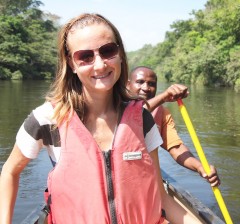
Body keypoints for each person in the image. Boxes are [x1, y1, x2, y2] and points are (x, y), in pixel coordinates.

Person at [0, 13, 203, 224]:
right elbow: (9, 172)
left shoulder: (143, 120)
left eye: (108, 51)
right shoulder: (46, 119)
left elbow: (161, 197)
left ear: (120, 54)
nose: (99, 65)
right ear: (71, 63)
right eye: (85, 56)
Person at [127, 66, 220, 187]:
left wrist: (200, 166)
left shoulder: (161, 112)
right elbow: (135, 114)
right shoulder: (116, 106)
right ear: (128, 85)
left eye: (151, 84)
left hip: (145, 178)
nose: (145, 88)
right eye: (140, 82)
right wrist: (164, 96)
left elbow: (176, 148)